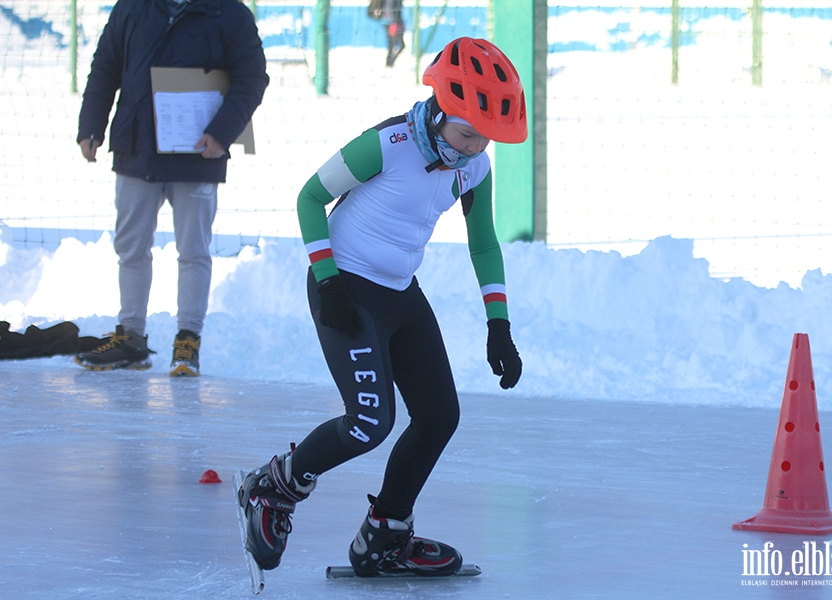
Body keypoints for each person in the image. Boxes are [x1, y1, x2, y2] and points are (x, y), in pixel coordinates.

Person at [237, 37, 527, 577]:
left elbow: (483, 242)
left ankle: (386, 534)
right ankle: (271, 488)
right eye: (466, 132)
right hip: (344, 284)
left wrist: (499, 324)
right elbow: (308, 198)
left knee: (440, 416)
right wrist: (327, 282)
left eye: (485, 139)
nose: (471, 148)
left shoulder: (474, 166)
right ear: (439, 110)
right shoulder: (388, 144)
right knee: (370, 421)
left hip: (398, 291)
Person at [73, 0, 268, 376]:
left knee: (194, 249)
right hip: (136, 148)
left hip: (197, 152)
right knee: (130, 246)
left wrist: (223, 132)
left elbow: (252, 77)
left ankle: (188, 340)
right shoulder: (132, 7)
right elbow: (105, 66)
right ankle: (130, 338)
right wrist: (91, 124)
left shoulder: (229, 12)